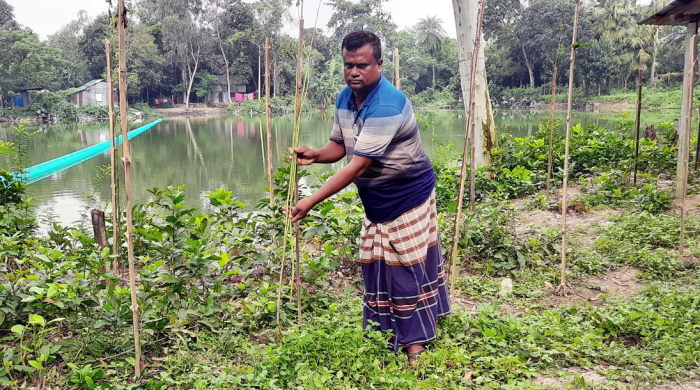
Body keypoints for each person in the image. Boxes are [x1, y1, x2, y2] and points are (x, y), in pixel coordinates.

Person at [288, 31, 451, 365]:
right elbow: (341, 146)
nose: (354, 72)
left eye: (361, 65)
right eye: (348, 65)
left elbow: (357, 166)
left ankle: (415, 344)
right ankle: (385, 328)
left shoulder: (387, 105)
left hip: (407, 195)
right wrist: (316, 154)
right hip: (377, 201)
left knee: (405, 267)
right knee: (379, 266)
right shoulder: (345, 99)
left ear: (379, 63)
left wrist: (310, 201)